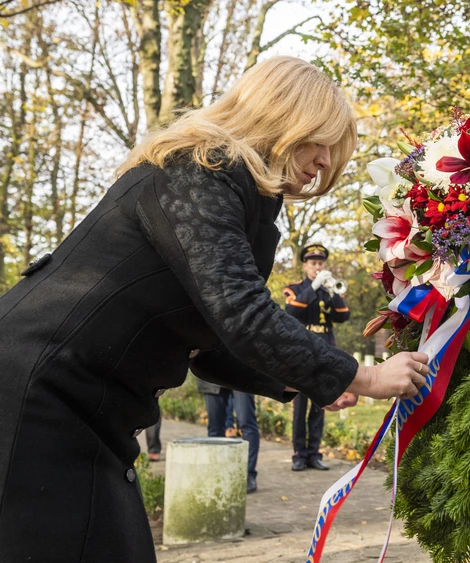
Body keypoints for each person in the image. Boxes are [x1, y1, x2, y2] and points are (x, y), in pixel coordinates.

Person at [0, 56, 430, 563]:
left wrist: (303, 380)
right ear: (283, 118)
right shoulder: (198, 170)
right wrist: (364, 376)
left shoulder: (235, 192)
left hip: (81, 404)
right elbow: (241, 312)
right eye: (320, 141)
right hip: (39, 395)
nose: (324, 160)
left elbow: (208, 342)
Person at [283, 244, 350, 471]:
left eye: (321, 263)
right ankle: (299, 455)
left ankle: (314, 454)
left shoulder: (329, 291)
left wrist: (334, 292)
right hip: (302, 352)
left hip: (325, 351)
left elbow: (343, 316)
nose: (317, 267)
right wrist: (313, 286)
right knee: (300, 407)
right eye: (313, 263)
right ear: (305, 266)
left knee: (321, 405)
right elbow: (291, 312)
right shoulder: (295, 289)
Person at [198, 380, 261, 493]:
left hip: (243, 372)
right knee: (215, 428)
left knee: (246, 423)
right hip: (211, 373)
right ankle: (216, 475)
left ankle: (248, 475)